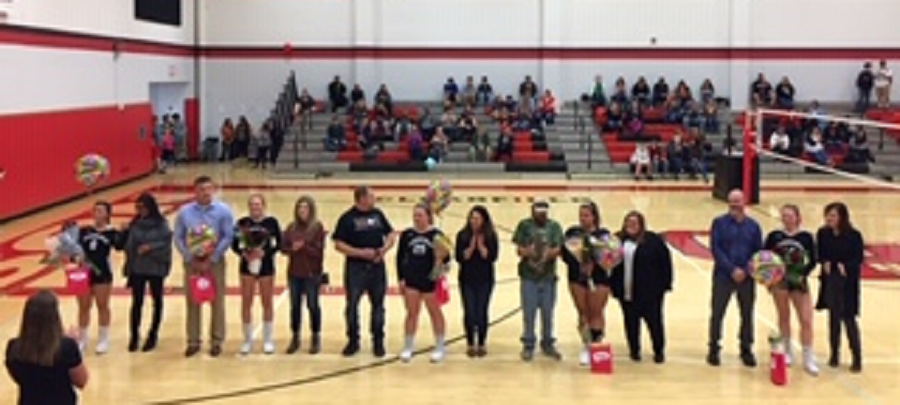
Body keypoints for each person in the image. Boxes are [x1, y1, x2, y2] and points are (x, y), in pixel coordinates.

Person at [173, 175, 235, 358]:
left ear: (213, 190)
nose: (205, 192)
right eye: (201, 189)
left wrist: (213, 258)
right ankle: (193, 341)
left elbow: (227, 236)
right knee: (192, 302)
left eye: (209, 189)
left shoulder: (223, 211)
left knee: (217, 302)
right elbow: (178, 237)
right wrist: (189, 258)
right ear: (195, 191)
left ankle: (216, 341)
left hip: (215, 263)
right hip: (191, 263)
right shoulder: (184, 212)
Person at [332, 186, 396, 357]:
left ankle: (378, 341)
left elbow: (391, 234)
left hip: (377, 266)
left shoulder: (378, 214)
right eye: (371, 196)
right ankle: (353, 340)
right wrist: (360, 253)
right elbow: (338, 244)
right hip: (356, 268)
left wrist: (384, 249)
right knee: (352, 306)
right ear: (361, 198)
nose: (374, 199)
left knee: (378, 306)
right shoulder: (347, 218)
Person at [707, 189, 762, 367]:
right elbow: (716, 249)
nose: (734, 205)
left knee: (747, 314)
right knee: (717, 313)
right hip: (723, 276)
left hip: (747, 278)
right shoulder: (718, 223)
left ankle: (746, 348)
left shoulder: (754, 226)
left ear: (744, 202)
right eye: (731, 202)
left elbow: (758, 252)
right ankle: (713, 348)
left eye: (737, 201)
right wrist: (732, 270)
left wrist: (746, 270)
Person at [610, 211, 673, 363]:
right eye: (628, 223)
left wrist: (666, 285)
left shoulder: (654, 241)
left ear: (641, 225)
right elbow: (609, 264)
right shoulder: (617, 240)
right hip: (626, 291)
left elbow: (665, 263)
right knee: (630, 322)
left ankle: (658, 350)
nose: (631, 226)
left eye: (634, 223)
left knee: (654, 322)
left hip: (650, 293)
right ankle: (634, 350)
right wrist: (613, 286)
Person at [5, 291, 89, 405]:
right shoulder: (66, 347)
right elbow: (81, 381)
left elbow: (18, 378)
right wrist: (75, 345)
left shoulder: (14, 347)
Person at [764, 204, 819, 375]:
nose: (786, 218)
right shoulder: (774, 236)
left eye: (789, 215)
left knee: (806, 319)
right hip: (780, 282)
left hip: (799, 281)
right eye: (784, 215)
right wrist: (769, 278)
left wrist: (803, 274)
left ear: (797, 217)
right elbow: (765, 258)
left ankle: (808, 356)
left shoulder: (806, 237)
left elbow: (813, 260)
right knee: (783, 316)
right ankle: (787, 351)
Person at [396, 204, 451, 363]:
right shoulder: (407, 234)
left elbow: (447, 260)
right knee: (411, 313)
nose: (417, 218)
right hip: (412, 280)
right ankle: (408, 346)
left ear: (428, 216)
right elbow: (400, 258)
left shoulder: (437, 234)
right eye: (415, 215)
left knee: (435, 313)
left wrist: (441, 258)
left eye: (420, 215)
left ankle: (440, 346)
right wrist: (401, 279)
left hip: (430, 281)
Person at [512, 200, 565, 361]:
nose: (540, 215)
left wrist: (547, 254)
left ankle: (548, 342)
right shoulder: (524, 225)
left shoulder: (554, 227)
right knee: (529, 312)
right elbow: (519, 249)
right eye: (537, 212)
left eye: (543, 212)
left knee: (548, 312)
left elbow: (559, 248)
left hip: (548, 276)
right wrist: (530, 252)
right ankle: (528, 344)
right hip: (529, 276)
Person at [815, 202, 865, 373]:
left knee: (849, 319)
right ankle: (834, 354)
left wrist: (847, 266)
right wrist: (824, 262)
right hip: (831, 280)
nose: (829, 218)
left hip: (848, 282)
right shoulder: (823, 233)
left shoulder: (854, 235)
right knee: (833, 319)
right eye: (827, 215)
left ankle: (857, 357)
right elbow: (820, 254)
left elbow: (858, 258)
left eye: (833, 215)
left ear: (842, 217)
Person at [560, 202, 611, 366]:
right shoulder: (572, 233)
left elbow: (610, 257)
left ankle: (597, 346)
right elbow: (565, 254)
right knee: (583, 312)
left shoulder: (604, 235)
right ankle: (586, 345)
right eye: (581, 215)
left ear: (595, 217)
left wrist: (595, 263)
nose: (583, 218)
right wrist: (580, 262)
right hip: (577, 277)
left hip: (599, 278)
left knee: (596, 312)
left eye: (586, 215)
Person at [231, 194, 282, 355]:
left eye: (258, 204)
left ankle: (268, 340)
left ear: (263, 205)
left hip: (266, 266)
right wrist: (244, 254)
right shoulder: (242, 223)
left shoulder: (271, 222)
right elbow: (234, 244)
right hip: (247, 267)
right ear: (248, 207)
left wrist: (264, 253)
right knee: (247, 302)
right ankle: (247, 340)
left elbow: (278, 243)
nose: (255, 207)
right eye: (252, 204)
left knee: (267, 302)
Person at [122, 193, 172, 353]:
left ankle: (153, 334)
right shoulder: (134, 224)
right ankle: (134, 336)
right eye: (137, 207)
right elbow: (125, 245)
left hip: (155, 267)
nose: (140, 210)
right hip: (138, 268)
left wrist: (151, 248)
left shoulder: (162, 224)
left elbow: (166, 243)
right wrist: (123, 233)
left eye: (142, 207)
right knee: (136, 302)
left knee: (157, 301)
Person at [73, 201, 124, 354]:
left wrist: (123, 232)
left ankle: (103, 339)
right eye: (95, 210)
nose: (97, 213)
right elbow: (73, 249)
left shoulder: (111, 233)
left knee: (102, 305)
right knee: (83, 306)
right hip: (84, 273)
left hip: (102, 273)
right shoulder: (84, 231)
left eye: (101, 210)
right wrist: (75, 258)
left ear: (108, 214)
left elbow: (120, 247)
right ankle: (82, 339)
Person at [281, 196, 327, 354]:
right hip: (294, 273)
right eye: (300, 207)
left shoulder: (317, 228)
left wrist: (303, 247)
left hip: (312, 274)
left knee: (313, 305)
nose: (302, 210)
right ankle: (295, 337)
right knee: (295, 306)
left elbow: (319, 252)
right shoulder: (291, 228)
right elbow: (283, 248)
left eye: (305, 207)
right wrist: (291, 249)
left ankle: (315, 336)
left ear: (311, 210)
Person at [455, 205, 499, 358]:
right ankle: (469, 343)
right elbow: (460, 258)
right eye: (472, 218)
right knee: (469, 311)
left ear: (484, 220)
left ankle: (481, 342)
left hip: (485, 279)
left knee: (481, 311)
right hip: (467, 279)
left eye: (477, 218)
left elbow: (492, 258)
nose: (474, 221)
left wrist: (481, 247)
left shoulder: (491, 236)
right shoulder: (462, 235)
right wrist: (470, 248)